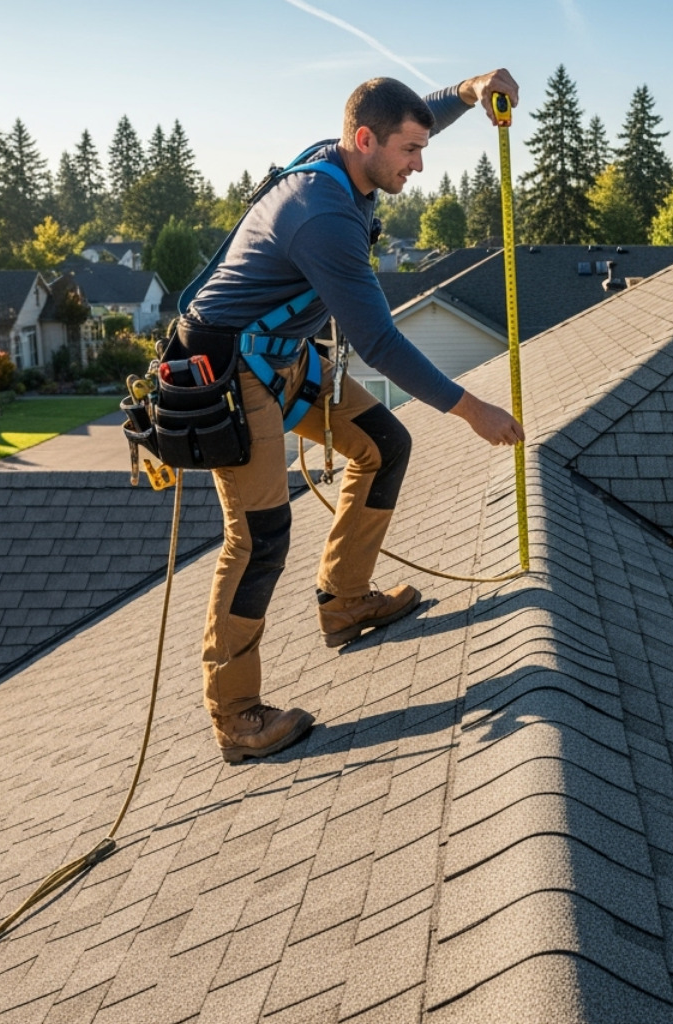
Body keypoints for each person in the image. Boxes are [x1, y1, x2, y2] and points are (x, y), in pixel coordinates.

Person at [182, 71, 525, 764]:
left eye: (422, 149)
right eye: (409, 151)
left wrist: (465, 91)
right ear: (364, 140)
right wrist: (472, 410)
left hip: (280, 359)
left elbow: (411, 114)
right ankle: (237, 716)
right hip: (230, 371)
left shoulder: (345, 163)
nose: (419, 165)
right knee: (258, 538)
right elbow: (379, 343)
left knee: (383, 443)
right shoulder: (325, 215)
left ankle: (344, 602)